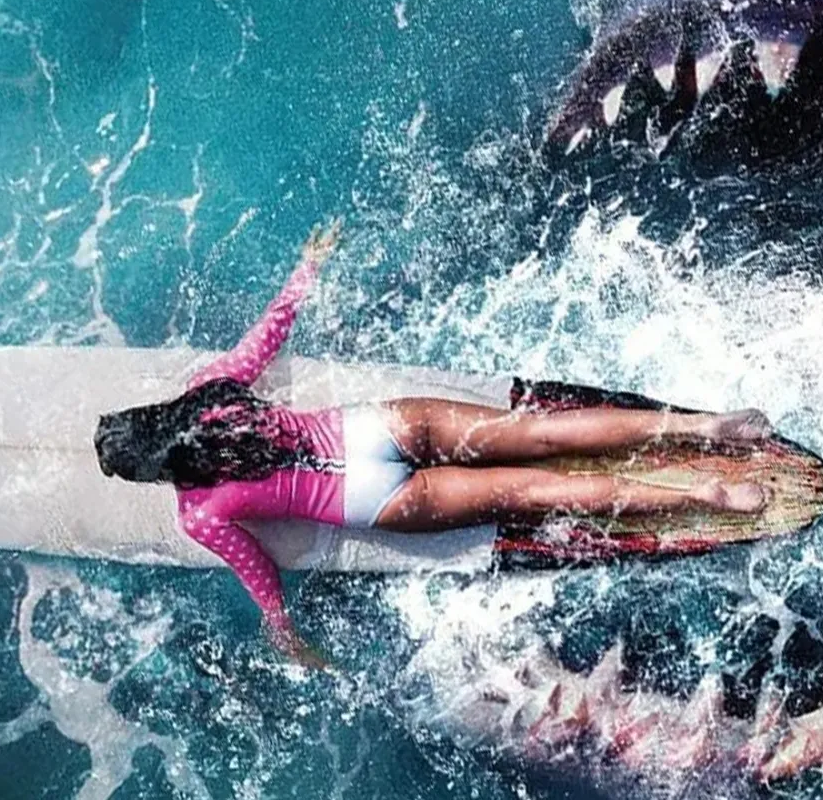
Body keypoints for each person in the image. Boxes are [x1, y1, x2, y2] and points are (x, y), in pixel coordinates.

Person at [93, 220, 773, 664]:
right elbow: (268, 334)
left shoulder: (198, 515)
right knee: (536, 432)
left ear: (150, 470)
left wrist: (281, 628)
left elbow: (257, 571)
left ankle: (710, 495)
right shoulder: (210, 394)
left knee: (538, 491)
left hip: (373, 497)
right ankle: (702, 427)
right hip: (375, 427)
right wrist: (306, 267)